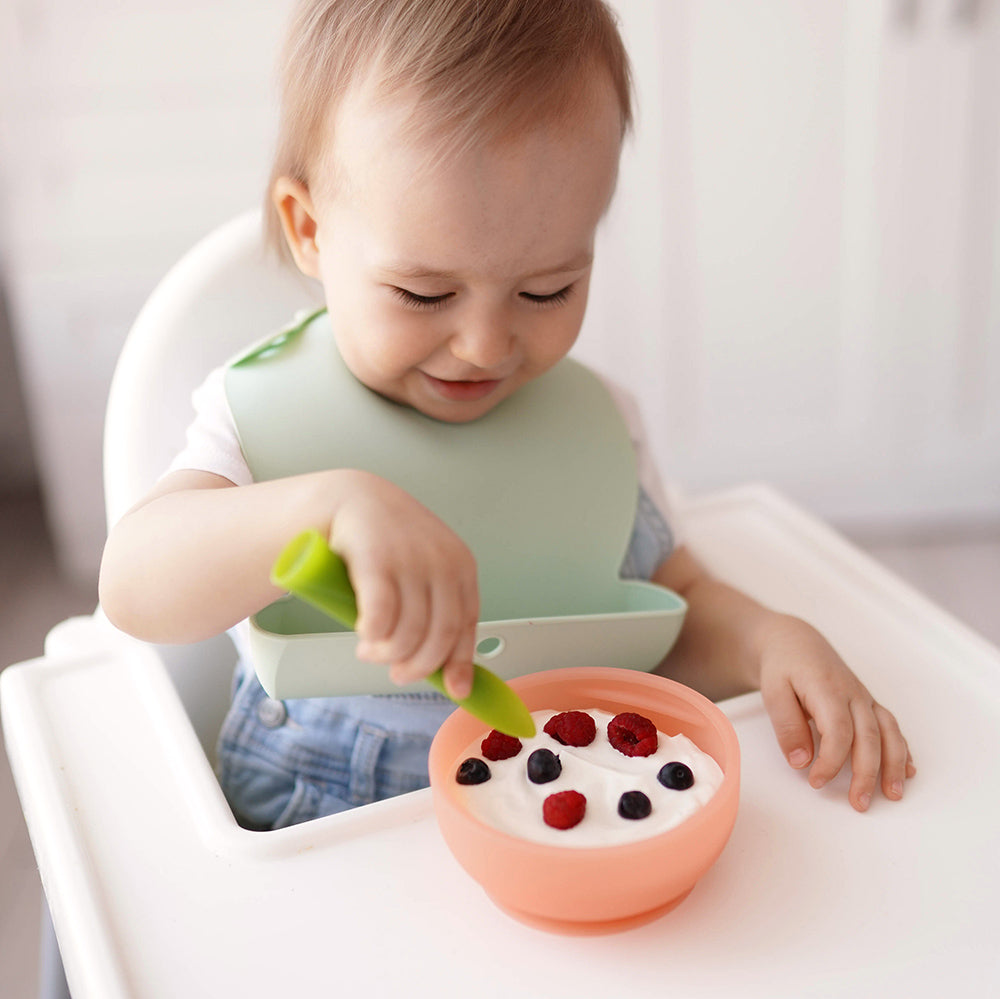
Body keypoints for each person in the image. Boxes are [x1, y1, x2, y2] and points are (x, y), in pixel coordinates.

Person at [99, 0, 914, 828]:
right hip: (328, 830)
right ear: (310, 230)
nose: (487, 346)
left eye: (547, 289)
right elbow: (133, 585)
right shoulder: (265, 418)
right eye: (426, 293)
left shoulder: (599, 427)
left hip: (556, 804)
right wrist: (324, 508)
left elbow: (672, 611)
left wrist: (769, 640)